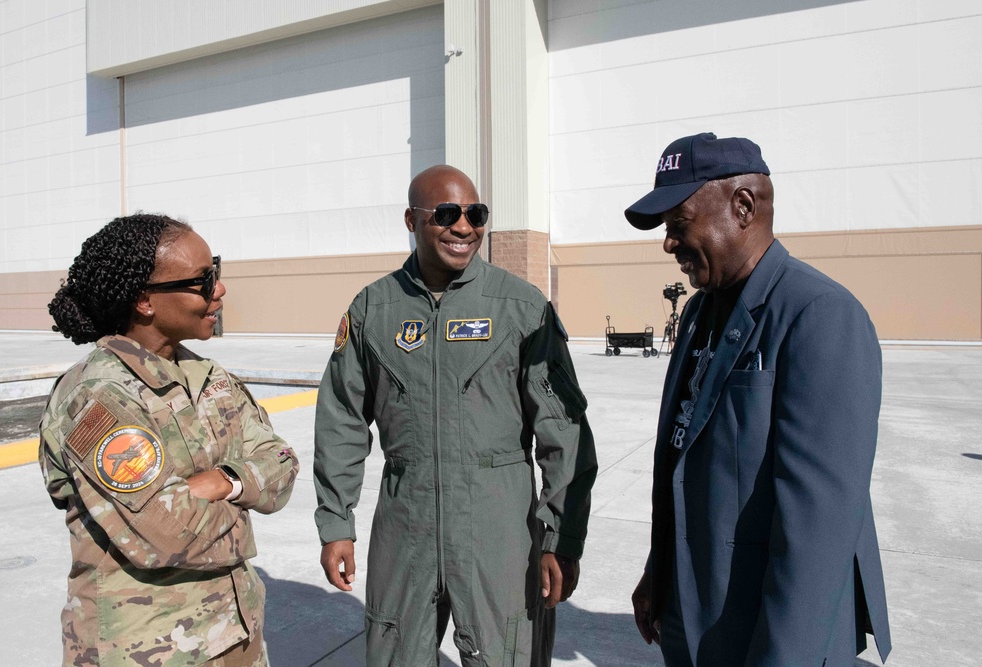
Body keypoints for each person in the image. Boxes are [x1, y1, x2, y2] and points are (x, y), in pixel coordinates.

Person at [313, 165, 598, 666]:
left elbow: (564, 432)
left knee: (506, 654)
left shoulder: (521, 308)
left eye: (475, 214)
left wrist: (561, 538)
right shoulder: (373, 310)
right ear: (411, 219)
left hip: (499, 530)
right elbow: (342, 418)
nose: (464, 227)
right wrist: (336, 522)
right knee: (393, 653)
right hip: (405, 525)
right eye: (445, 214)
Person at [625, 133, 891, 666]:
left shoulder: (818, 315)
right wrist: (661, 570)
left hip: (762, 631)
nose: (668, 244)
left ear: (743, 207)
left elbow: (817, 534)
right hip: (695, 612)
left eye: (679, 224)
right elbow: (682, 454)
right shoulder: (702, 312)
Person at [39, 214, 299, 666]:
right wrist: (246, 503)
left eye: (216, 272)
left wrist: (223, 481)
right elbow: (168, 533)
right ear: (144, 301)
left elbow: (281, 462)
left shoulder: (209, 376)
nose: (219, 290)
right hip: (149, 651)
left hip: (237, 634)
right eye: (203, 280)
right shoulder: (97, 399)